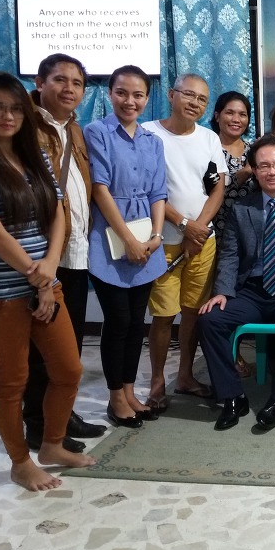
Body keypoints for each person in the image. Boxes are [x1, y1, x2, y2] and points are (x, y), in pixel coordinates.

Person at [0, 53, 105, 452]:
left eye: (77, 83)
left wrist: (48, 271)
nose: (8, 116)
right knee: (18, 373)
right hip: (8, 286)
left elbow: (58, 207)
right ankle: (30, 443)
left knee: (67, 362)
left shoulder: (62, 138)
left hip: (59, 261)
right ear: (40, 84)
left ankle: (56, 431)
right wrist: (42, 276)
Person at [198, 136, 275, 432]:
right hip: (251, 293)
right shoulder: (242, 208)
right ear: (254, 170)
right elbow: (230, 254)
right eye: (264, 166)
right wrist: (223, 292)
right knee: (210, 319)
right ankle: (233, 397)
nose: (272, 171)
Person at [84, 65, 167, 429]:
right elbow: (100, 189)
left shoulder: (153, 141)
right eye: (122, 93)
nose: (129, 101)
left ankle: (131, 392)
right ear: (110, 93)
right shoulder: (97, 132)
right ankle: (115, 397)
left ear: (147, 98)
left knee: (136, 323)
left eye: (138, 95)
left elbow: (158, 193)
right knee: (117, 320)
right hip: (109, 239)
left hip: (147, 239)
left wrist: (155, 237)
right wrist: (129, 240)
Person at [143, 74, 227, 411]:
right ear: (171, 94)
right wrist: (183, 224)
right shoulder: (148, 134)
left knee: (193, 312)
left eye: (202, 99)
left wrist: (199, 229)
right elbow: (147, 190)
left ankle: (186, 376)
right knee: (164, 314)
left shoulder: (209, 138)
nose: (195, 103)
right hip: (162, 240)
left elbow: (217, 188)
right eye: (188, 95)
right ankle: (157, 381)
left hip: (203, 241)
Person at [211, 91, 254, 237]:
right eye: (229, 113)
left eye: (242, 115)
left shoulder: (255, 151)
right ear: (217, 116)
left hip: (251, 231)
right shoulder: (208, 150)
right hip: (217, 230)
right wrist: (246, 172)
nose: (236, 119)